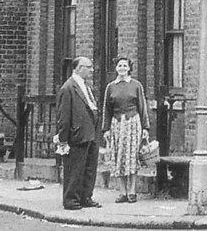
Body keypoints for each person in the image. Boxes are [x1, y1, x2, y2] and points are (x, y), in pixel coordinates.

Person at [101, 56, 150, 203]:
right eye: (119, 66)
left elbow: (142, 106)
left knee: (132, 156)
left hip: (133, 123)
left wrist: (146, 127)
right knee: (119, 157)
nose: (122, 68)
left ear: (129, 68)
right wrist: (106, 129)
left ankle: (132, 191)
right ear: (116, 68)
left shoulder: (136, 85)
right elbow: (107, 109)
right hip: (117, 124)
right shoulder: (111, 87)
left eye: (125, 66)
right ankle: (122, 192)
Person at [55, 56, 101, 210]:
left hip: (90, 133)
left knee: (89, 168)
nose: (91, 70)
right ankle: (71, 199)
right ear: (79, 68)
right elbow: (63, 116)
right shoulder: (67, 88)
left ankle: (85, 197)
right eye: (89, 67)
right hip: (77, 135)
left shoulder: (86, 86)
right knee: (75, 169)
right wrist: (63, 140)